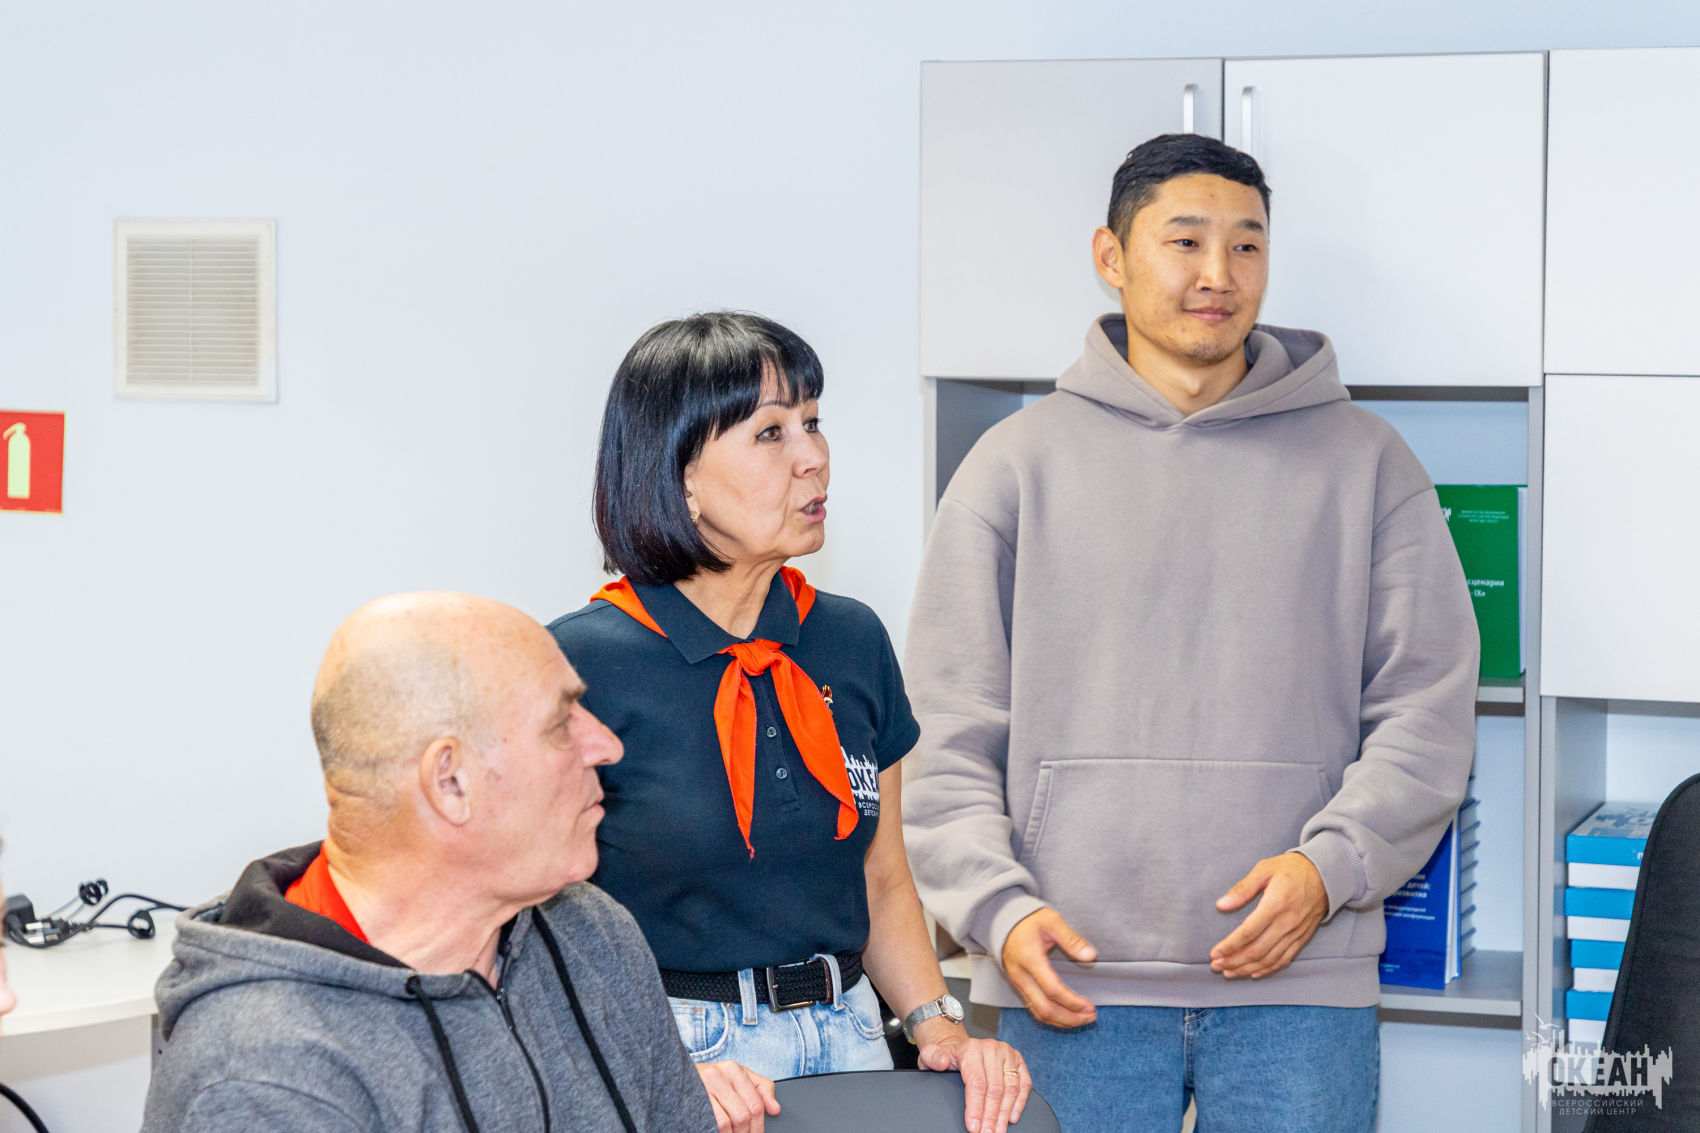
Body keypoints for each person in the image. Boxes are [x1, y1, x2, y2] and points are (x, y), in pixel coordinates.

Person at [901, 133, 1479, 1131]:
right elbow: (944, 733)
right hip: (1066, 977)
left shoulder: (1369, 463)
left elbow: (1426, 711)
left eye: (1246, 245)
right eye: (1184, 241)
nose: (1218, 273)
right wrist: (998, 908)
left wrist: (1327, 868)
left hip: (1301, 983)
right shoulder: (1012, 465)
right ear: (1111, 255)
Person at [548, 312, 1033, 1133]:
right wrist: (656, 1067)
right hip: (687, 1058)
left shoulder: (851, 638)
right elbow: (540, 923)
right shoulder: (578, 665)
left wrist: (936, 1025)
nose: (813, 456)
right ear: (681, 475)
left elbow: (881, 877)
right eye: (771, 432)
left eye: (812, 422)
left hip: (853, 1036)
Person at [143, 592, 775, 1133]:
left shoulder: (592, 934)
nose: (607, 745)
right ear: (450, 782)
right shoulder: (263, 1083)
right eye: (562, 723)